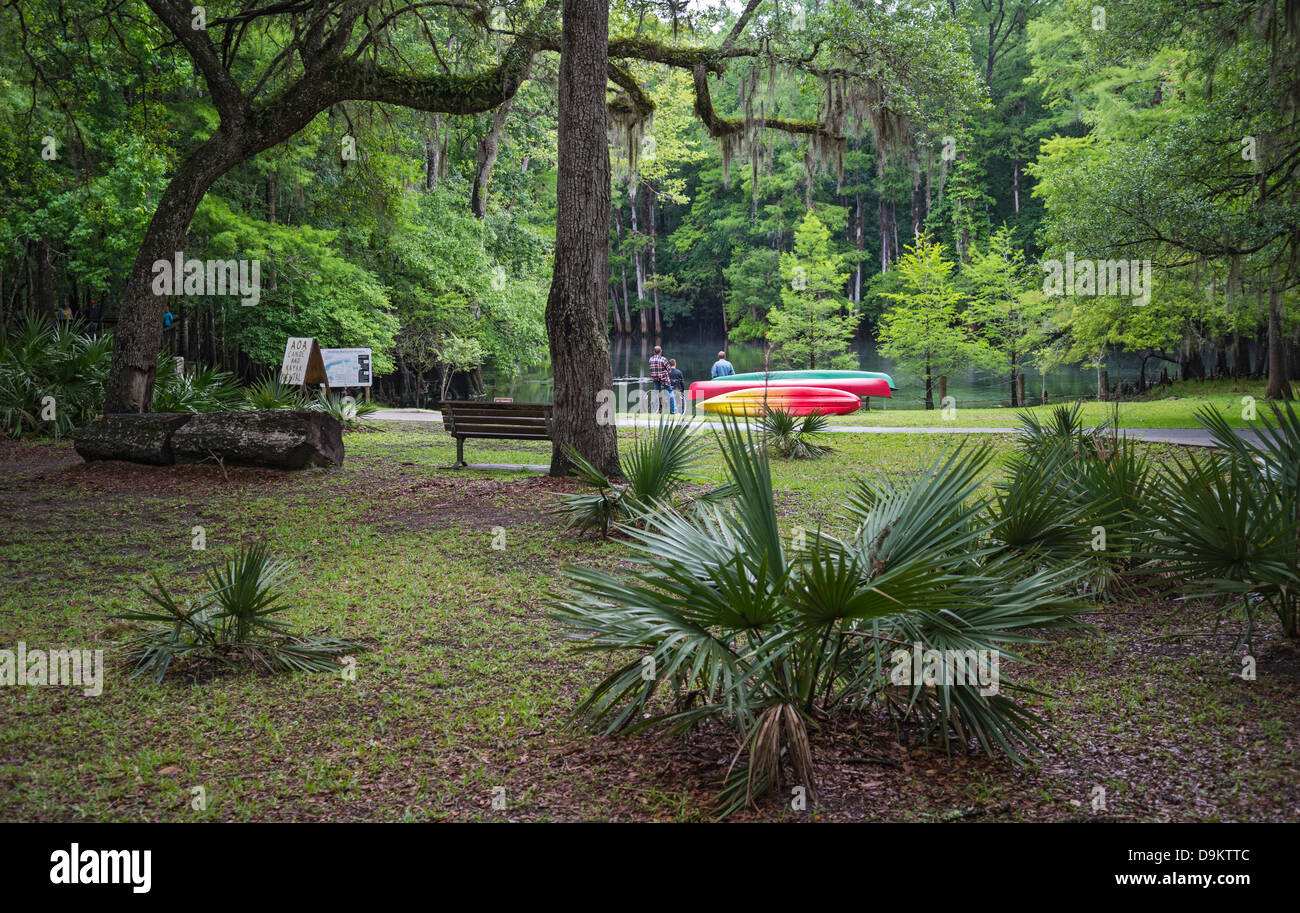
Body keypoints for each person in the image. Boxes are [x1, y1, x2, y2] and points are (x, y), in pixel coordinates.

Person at [648, 345, 675, 415]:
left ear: (654, 352)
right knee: (670, 392)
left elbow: (651, 369)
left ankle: (654, 411)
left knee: (656, 393)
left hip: (655, 379)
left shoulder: (650, 359)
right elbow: (669, 370)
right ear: (661, 352)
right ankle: (673, 411)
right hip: (664, 379)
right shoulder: (664, 359)